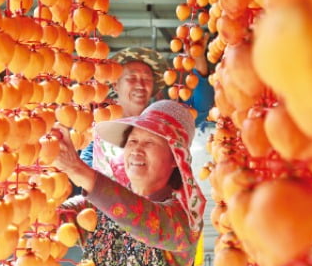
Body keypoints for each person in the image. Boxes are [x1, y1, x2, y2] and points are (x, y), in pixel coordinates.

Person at [52, 100, 207, 266]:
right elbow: (47, 220)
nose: (136, 150)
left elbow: (144, 218)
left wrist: (77, 169)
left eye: (149, 142)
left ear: (175, 158)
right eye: (132, 140)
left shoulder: (185, 218)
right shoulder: (95, 207)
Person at [80, 47, 214, 186]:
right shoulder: (101, 128)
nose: (140, 84)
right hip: (113, 204)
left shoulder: (164, 121)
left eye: (146, 78)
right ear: (115, 84)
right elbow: (86, 174)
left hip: (159, 206)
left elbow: (201, 104)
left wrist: (198, 58)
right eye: (132, 78)